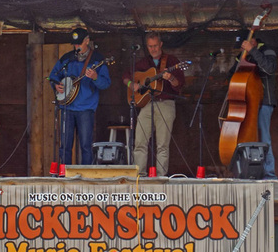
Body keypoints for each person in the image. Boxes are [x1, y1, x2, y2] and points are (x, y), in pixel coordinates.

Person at [123, 32, 185, 176]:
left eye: (155, 46)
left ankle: (160, 177)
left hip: (166, 104)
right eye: (150, 46)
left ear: (161, 44)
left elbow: (179, 85)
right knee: (140, 142)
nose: (153, 49)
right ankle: (139, 175)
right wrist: (132, 84)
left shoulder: (172, 61)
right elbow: (125, 76)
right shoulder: (144, 63)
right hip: (147, 104)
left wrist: (170, 78)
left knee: (162, 144)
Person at [49, 28, 111, 165]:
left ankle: (86, 177)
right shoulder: (67, 58)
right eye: (75, 44)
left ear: (87, 41)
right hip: (67, 107)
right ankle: (64, 174)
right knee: (65, 146)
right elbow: (53, 75)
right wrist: (55, 85)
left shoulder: (97, 59)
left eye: (79, 44)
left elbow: (106, 83)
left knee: (85, 146)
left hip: (86, 108)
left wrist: (95, 77)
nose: (76, 47)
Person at [231, 35, 278, 179]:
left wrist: (253, 51)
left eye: (244, 44)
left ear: (252, 41)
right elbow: (232, 76)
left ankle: (269, 174)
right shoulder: (242, 55)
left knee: (264, 138)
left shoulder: (267, 50)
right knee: (244, 138)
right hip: (245, 104)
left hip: (264, 101)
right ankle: (245, 172)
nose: (242, 48)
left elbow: (269, 69)